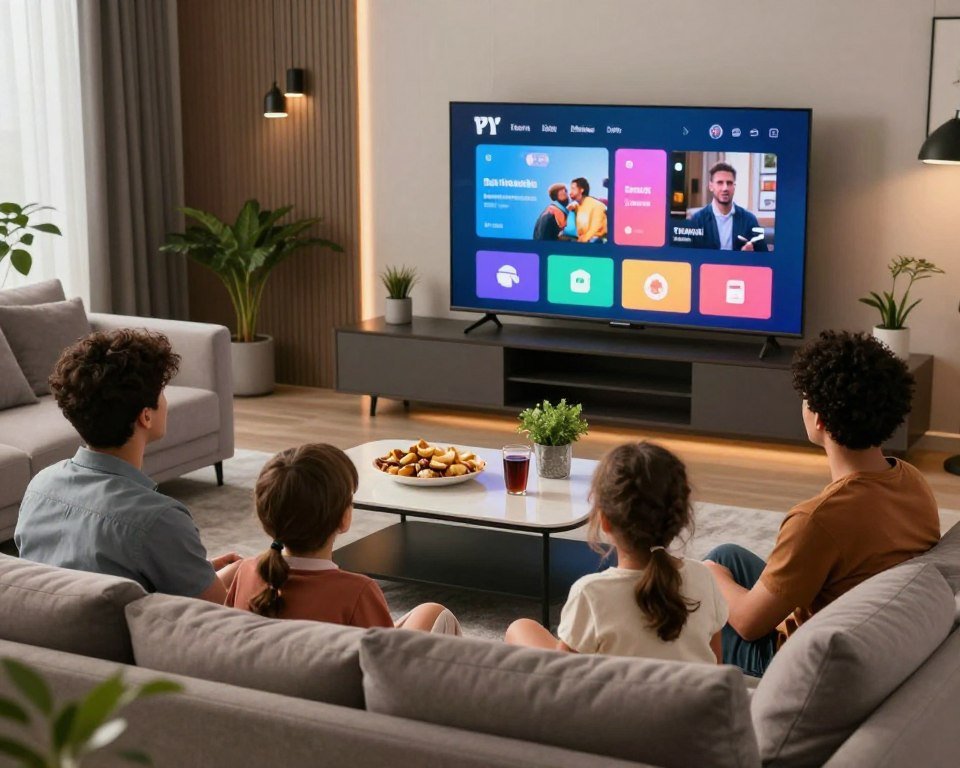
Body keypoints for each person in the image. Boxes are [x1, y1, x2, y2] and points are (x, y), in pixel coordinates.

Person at [703, 331, 941, 677]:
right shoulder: (912, 480)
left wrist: (708, 578)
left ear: (820, 420)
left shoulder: (816, 520)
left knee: (699, 591)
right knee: (726, 555)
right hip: (868, 626)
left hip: (798, 659)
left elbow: (749, 625)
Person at [15, 329, 240, 602]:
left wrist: (193, 569)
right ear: (146, 416)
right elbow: (219, 615)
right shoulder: (160, 519)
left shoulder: (39, 487)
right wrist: (239, 573)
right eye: (162, 392)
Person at [506, 442, 726, 663]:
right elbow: (715, 668)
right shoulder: (703, 577)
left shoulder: (591, 593)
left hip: (616, 697)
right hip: (691, 697)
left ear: (604, 521)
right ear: (678, 519)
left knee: (521, 629)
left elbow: (565, 682)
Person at [226, 443, 462, 634]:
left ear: (266, 517)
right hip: (340, 691)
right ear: (344, 518)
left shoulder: (247, 572)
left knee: (428, 611)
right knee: (437, 615)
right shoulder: (357, 592)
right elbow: (386, 664)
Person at [686, 162, 768, 251]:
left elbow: (763, 255)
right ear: (711, 186)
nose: (725, 188)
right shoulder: (697, 220)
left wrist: (747, 256)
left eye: (729, 183)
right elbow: (689, 256)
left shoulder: (749, 220)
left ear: (734, 187)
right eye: (720, 183)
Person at [568, 176, 607, 243]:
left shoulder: (596, 205)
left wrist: (584, 239)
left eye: (573, 189)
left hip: (597, 240)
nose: (570, 192)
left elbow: (596, 227)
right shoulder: (577, 205)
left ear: (581, 190)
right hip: (583, 239)